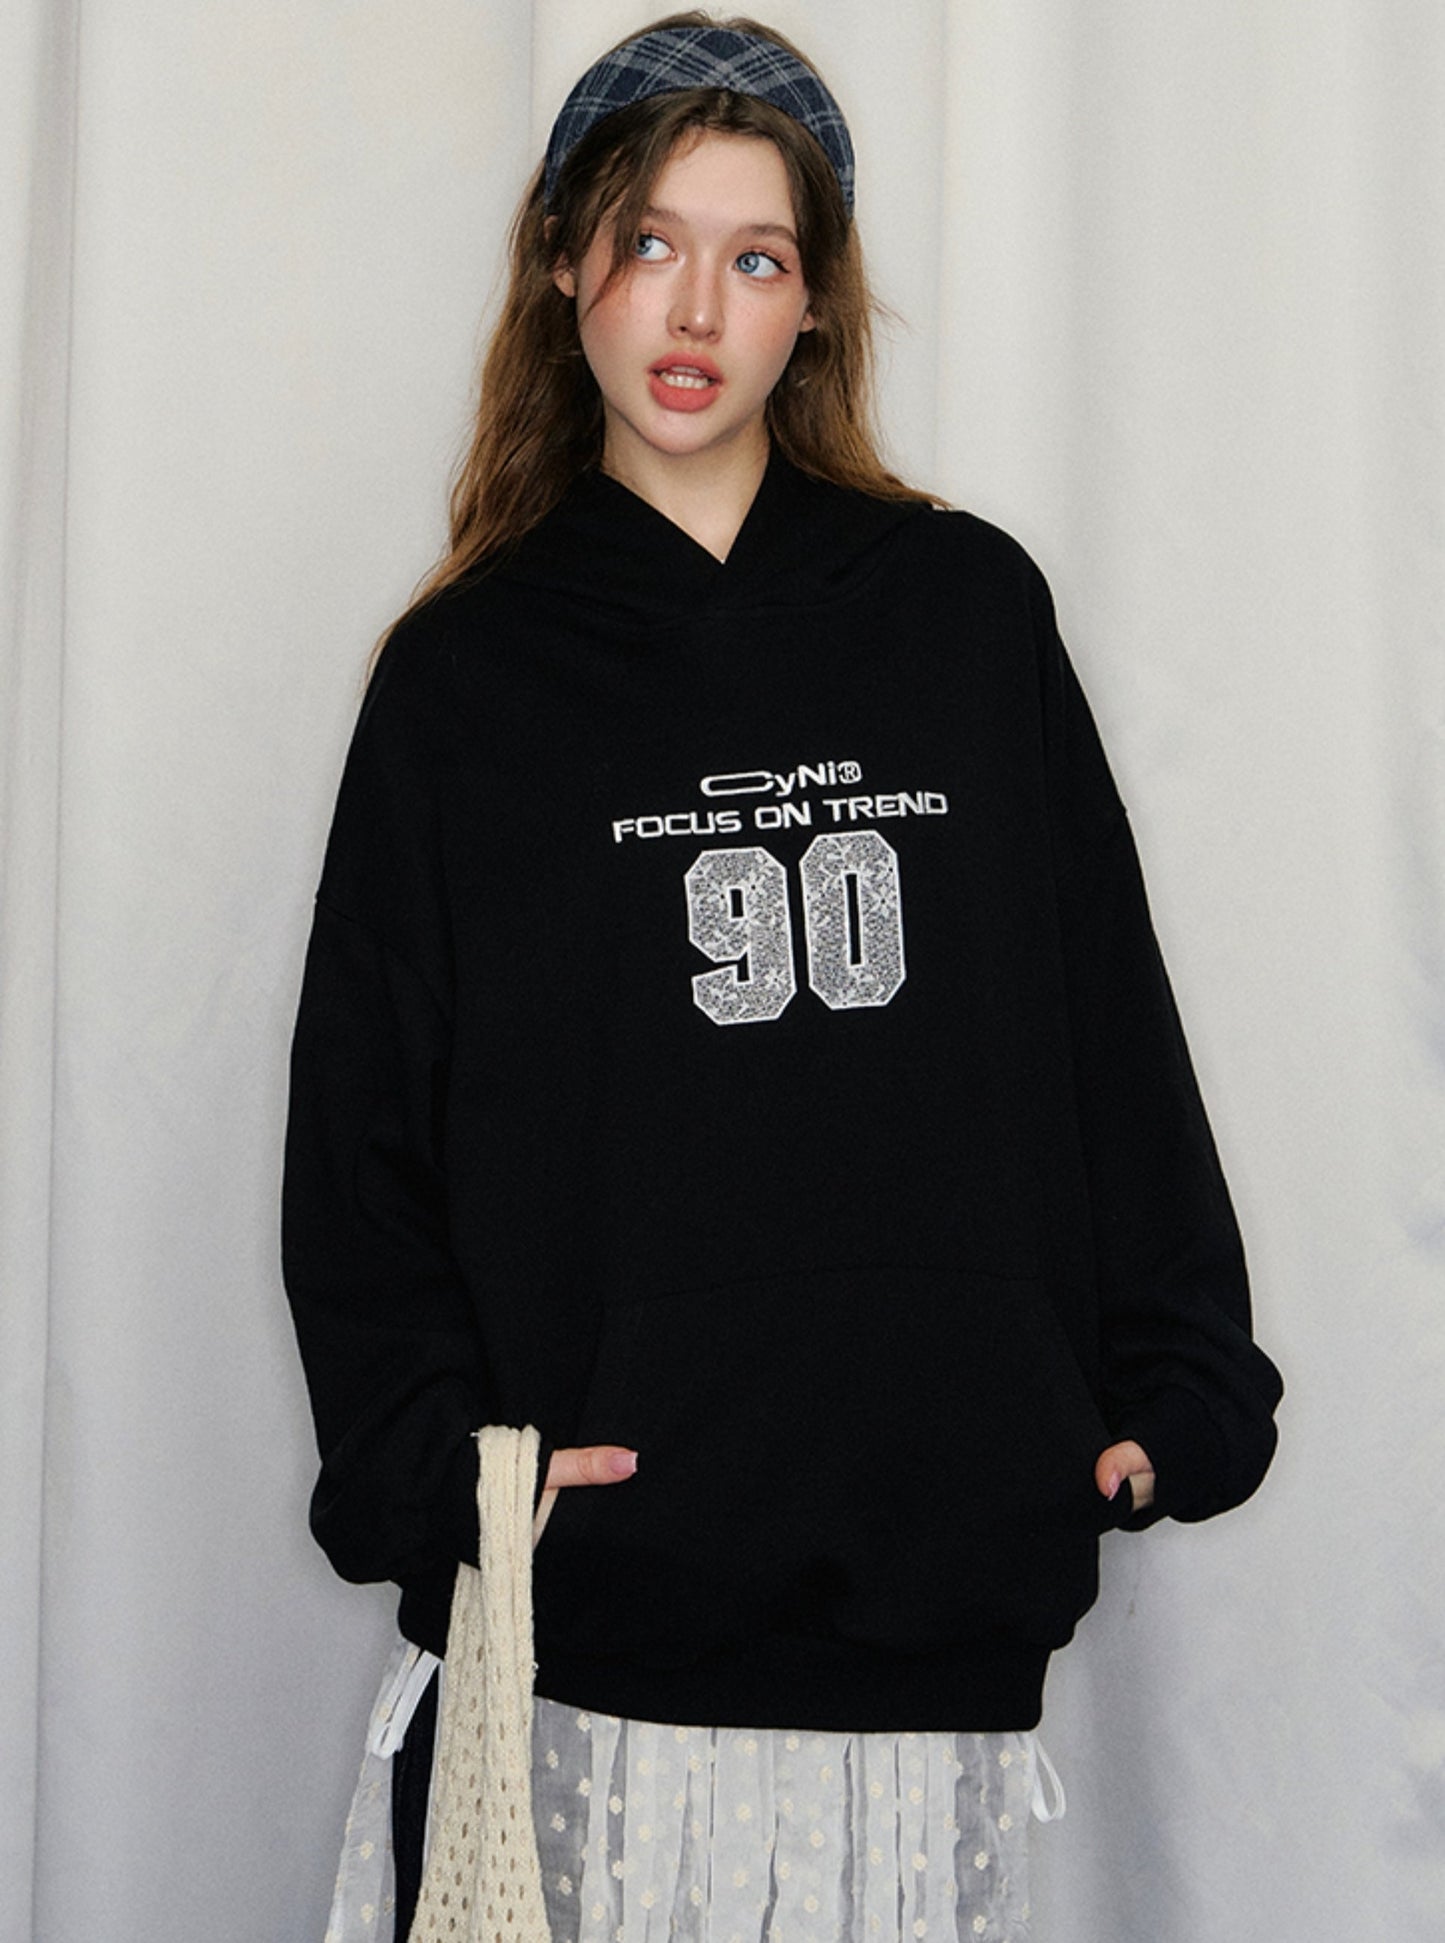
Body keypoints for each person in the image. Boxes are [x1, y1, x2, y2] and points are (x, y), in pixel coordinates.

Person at [282, 13, 1283, 1940]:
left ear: (812, 304)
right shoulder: (468, 679)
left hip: (931, 1594)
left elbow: (1102, 1029)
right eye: (649, 242)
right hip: (592, 1630)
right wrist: (437, 1468)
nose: (694, 309)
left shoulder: (963, 613)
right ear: (563, 263)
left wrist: (1176, 1382)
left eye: (753, 258)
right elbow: (362, 1135)